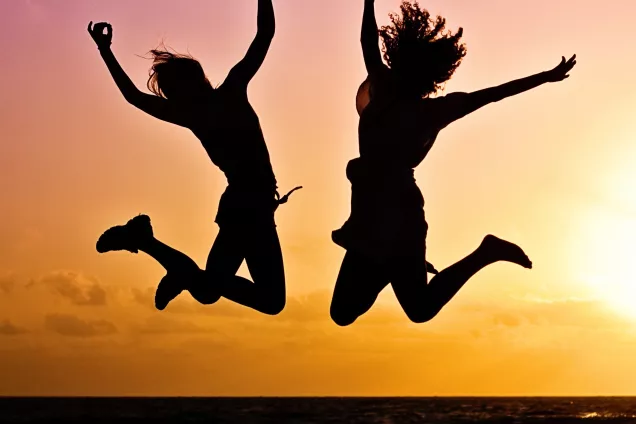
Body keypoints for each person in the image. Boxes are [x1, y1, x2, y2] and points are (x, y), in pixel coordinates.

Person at [330, 0, 576, 326]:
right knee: (344, 312)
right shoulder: (395, 91)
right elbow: (367, 41)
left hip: (396, 211)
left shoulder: (421, 107)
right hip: (374, 210)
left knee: (414, 309)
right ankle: (397, 263)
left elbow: (492, 94)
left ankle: (484, 253)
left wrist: (544, 77)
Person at [88, 0, 300, 314]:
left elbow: (133, 97)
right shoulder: (228, 93)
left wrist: (105, 50)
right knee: (254, 297)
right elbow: (265, 33)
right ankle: (152, 248)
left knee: (209, 289)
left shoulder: (192, 113)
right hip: (249, 205)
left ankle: (149, 244)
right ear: (198, 77)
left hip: (246, 204)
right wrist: (104, 50)